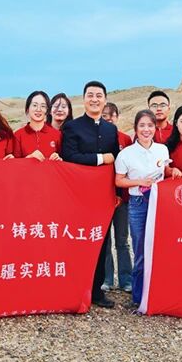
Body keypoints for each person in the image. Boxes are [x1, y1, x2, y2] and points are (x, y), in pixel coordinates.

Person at [61, 81, 120, 308]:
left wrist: (117, 193)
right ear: (84, 98)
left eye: (99, 95)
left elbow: (116, 164)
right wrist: (100, 158)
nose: (94, 99)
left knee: (101, 241)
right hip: (78, 194)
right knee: (77, 240)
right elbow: (69, 156)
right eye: (90, 95)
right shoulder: (72, 127)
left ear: (105, 100)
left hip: (102, 196)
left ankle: (96, 291)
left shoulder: (110, 130)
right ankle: (74, 287)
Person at [114, 109, 169, 309]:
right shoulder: (126, 154)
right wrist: (139, 182)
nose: (146, 130)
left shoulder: (162, 150)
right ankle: (138, 297)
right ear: (136, 129)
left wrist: (173, 172)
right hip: (137, 203)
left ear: (155, 128)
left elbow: (165, 171)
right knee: (140, 249)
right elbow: (119, 181)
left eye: (150, 126)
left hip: (159, 202)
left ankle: (157, 293)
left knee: (158, 247)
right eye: (142, 125)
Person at [100, 102, 133, 294]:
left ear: (117, 117)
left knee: (122, 239)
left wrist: (120, 195)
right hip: (102, 197)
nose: (109, 118)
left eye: (112, 115)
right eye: (104, 115)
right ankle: (107, 279)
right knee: (105, 241)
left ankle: (126, 279)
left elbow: (130, 169)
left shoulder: (125, 139)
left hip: (122, 198)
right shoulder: (98, 137)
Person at [14, 91, 62, 160]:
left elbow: (65, 162)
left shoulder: (57, 135)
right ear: (27, 109)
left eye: (43, 106)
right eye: (34, 105)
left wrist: (59, 159)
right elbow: (14, 163)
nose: (38, 109)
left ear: (47, 110)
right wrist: (28, 158)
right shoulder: (18, 135)